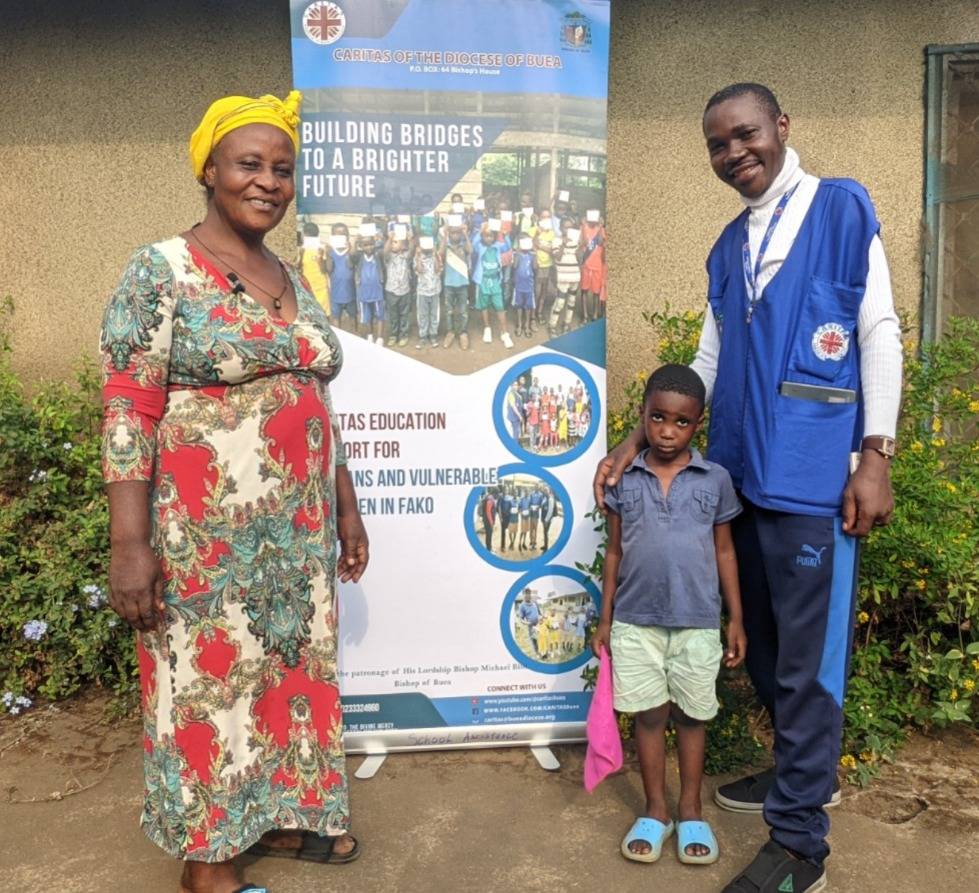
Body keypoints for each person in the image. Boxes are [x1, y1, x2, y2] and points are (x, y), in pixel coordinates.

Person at [595, 83, 902, 893]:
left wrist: (876, 452)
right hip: (737, 477)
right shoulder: (727, 247)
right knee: (761, 648)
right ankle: (798, 771)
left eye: (745, 134)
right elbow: (703, 363)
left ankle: (801, 843)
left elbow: (876, 330)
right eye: (717, 144)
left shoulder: (840, 212)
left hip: (811, 483)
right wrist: (634, 436)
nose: (734, 153)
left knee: (807, 663)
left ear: (780, 128)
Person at [101, 90, 368, 893]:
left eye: (282, 168)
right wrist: (128, 540)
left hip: (296, 529)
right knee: (210, 683)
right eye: (249, 164)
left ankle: (280, 816)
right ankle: (208, 862)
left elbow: (313, 396)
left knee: (290, 669)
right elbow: (128, 400)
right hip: (203, 536)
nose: (268, 181)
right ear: (209, 170)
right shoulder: (161, 269)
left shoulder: (287, 271)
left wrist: (346, 507)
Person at [592, 364, 745, 868]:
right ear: (643, 416)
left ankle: (690, 810)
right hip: (636, 621)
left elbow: (725, 552)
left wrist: (735, 619)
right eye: (657, 418)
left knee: (693, 717)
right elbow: (614, 552)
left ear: (696, 426)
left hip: (698, 622)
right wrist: (606, 618)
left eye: (680, 422)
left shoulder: (714, 480)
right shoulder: (625, 479)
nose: (666, 431)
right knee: (650, 717)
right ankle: (656, 811)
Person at [472, 223, 514, 348]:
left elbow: (508, 247)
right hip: (483, 281)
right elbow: (473, 244)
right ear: (482, 236)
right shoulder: (479, 246)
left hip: (495, 280)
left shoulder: (497, 246)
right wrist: (480, 231)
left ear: (494, 236)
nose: (488, 238)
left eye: (491, 236)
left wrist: (505, 235)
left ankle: (505, 333)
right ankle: (487, 328)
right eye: (486, 236)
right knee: (484, 305)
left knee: (499, 306)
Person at [441, 224, 472, 349]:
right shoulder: (446, 246)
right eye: (453, 233)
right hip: (449, 283)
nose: (455, 235)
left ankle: (463, 333)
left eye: (457, 233)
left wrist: (465, 234)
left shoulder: (463, 245)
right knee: (449, 311)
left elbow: (470, 250)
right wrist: (445, 235)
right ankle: (450, 332)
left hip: (462, 283)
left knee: (463, 311)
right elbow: (440, 253)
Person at [322, 222, 357, 332]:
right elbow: (329, 269)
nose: (341, 236)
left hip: (350, 293)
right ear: (332, 236)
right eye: (338, 234)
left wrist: (351, 250)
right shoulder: (330, 252)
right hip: (336, 293)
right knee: (336, 317)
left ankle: (355, 335)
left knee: (353, 316)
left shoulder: (350, 251)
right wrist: (328, 255)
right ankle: (340, 339)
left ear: (347, 236)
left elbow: (351, 266)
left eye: (344, 234)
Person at [383, 230, 413, 347]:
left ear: (402, 246)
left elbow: (411, 250)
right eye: (391, 242)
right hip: (391, 291)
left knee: (404, 314)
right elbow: (385, 251)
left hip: (405, 291)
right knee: (393, 315)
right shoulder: (388, 257)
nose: (392, 244)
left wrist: (409, 240)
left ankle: (403, 335)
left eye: (395, 242)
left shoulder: (405, 256)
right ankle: (393, 335)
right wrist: (389, 239)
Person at [353, 232, 385, 343]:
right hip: (364, 293)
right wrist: (355, 242)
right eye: (365, 245)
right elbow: (351, 255)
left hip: (377, 293)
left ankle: (380, 338)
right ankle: (370, 335)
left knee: (380, 315)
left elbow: (385, 251)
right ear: (361, 246)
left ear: (375, 244)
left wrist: (381, 239)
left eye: (371, 244)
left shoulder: (378, 255)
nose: (369, 247)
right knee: (367, 316)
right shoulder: (359, 257)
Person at [414, 236, 442, 349]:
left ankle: (433, 335)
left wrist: (435, 254)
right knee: (422, 315)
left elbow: (437, 269)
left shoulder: (437, 256)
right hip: (422, 291)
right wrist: (418, 256)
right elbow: (419, 270)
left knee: (434, 314)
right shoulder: (417, 257)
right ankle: (423, 336)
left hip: (435, 290)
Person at [516, 589, 542, 657]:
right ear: (523, 595)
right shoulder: (522, 606)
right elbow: (521, 619)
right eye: (526, 593)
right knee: (534, 639)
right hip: (531, 625)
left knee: (542, 637)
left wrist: (541, 617)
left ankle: (543, 651)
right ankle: (537, 653)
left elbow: (540, 613)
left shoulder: (534, 602)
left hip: (539, 624)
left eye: (529, 593)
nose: (528, 595)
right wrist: (528, 623)